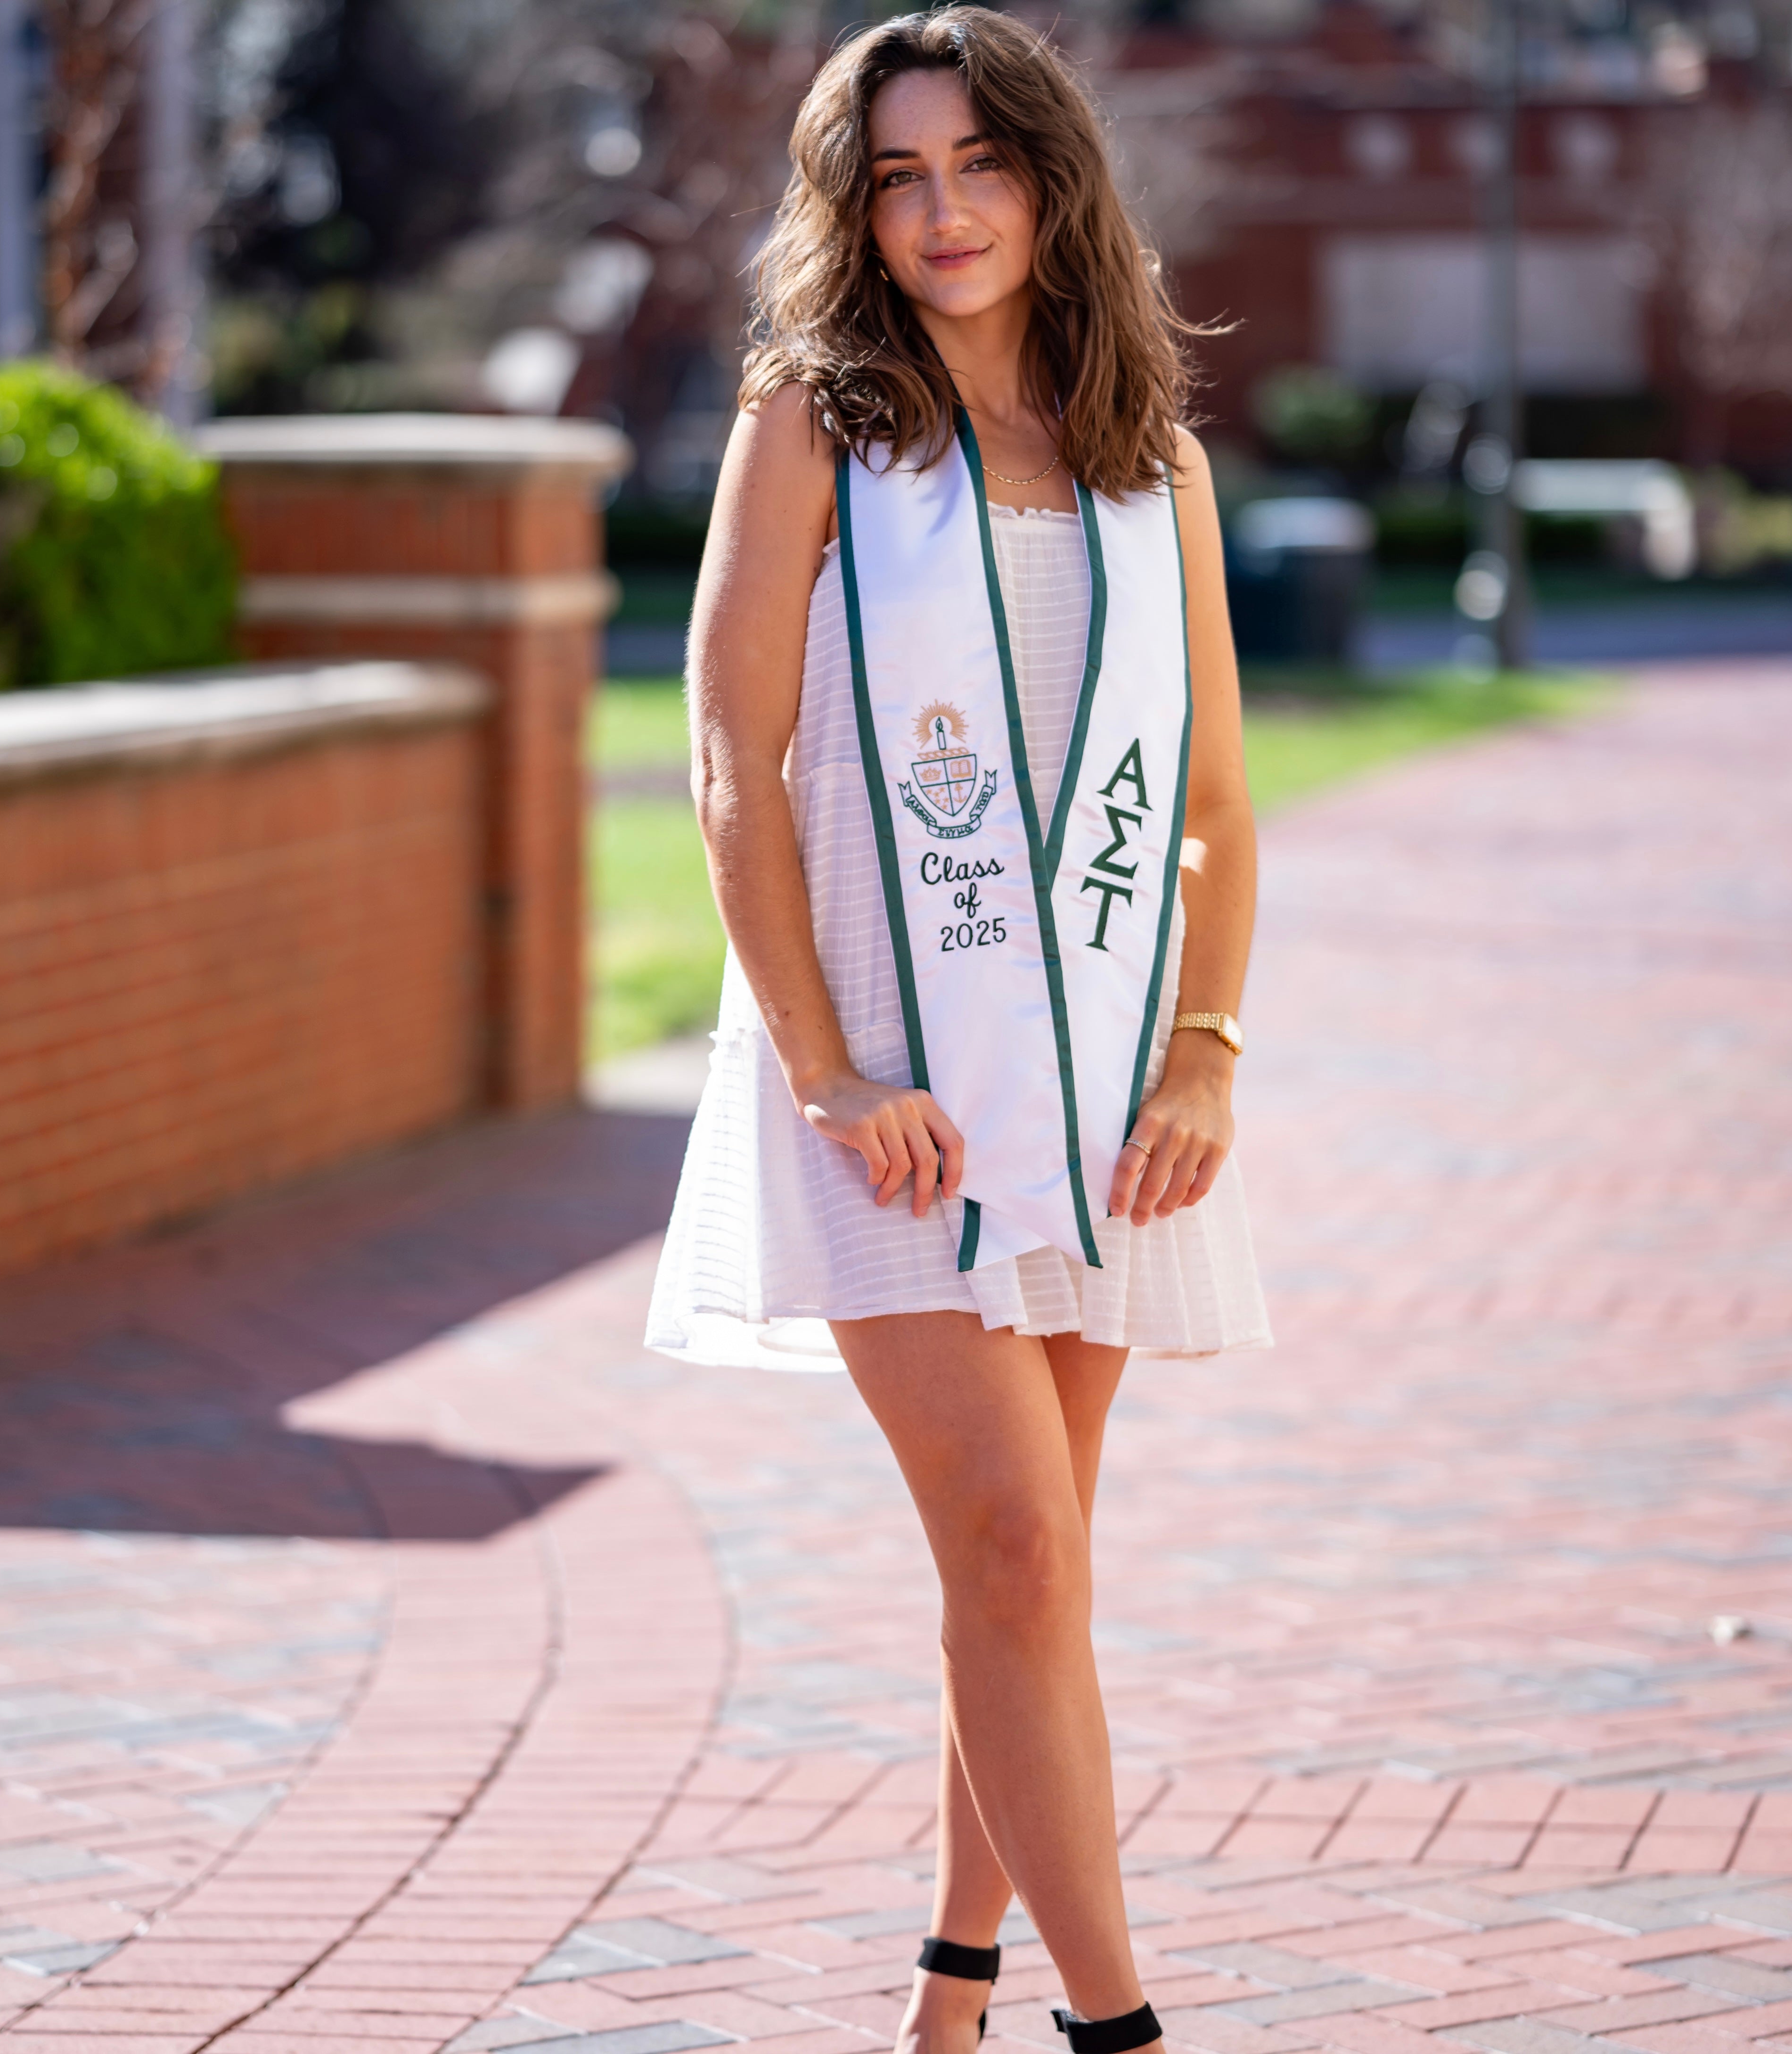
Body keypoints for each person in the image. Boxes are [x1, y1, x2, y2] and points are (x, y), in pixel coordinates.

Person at [646, 11, 1271, 2054]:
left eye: (976, 165)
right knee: (1007, 1543)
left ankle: (953, 1984)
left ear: (1049, 178)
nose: (939, 213)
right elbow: (733, 762)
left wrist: (1202, 1048)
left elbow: (1213, 807)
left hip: (1092, 1088)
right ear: (853, 204)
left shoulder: (1141, 452)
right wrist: (824, 1064)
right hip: (889, 1101)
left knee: (1038, 1578)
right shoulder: (817, 421)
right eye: (895, 176)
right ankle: (1123, 2026)